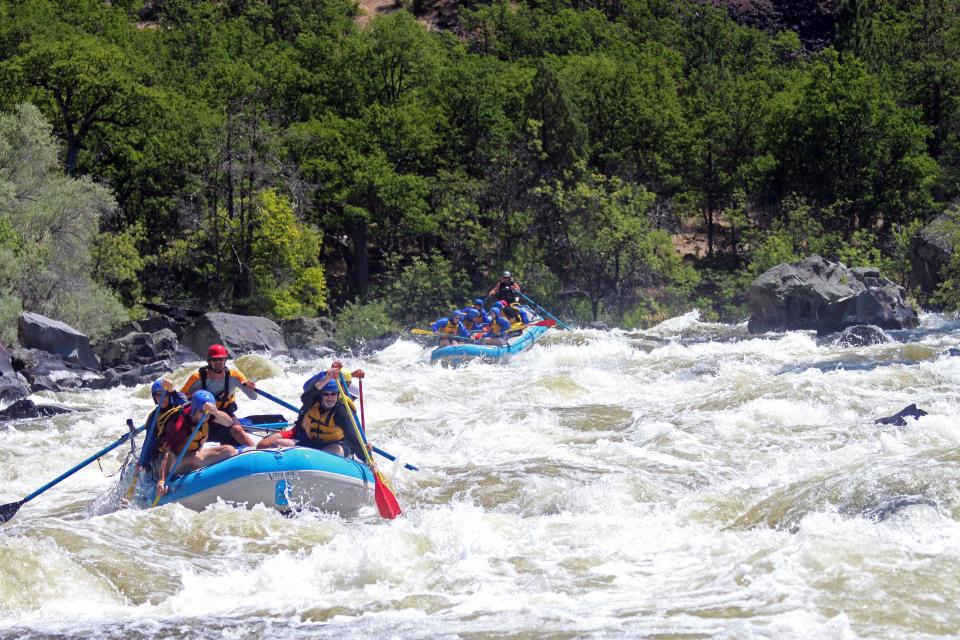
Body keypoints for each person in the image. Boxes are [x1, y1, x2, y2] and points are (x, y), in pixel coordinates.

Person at [257, 364, 369, 459]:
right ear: (321, 395)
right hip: (309, 441)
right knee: (275, 444)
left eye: (333, 394)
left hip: (333, 445)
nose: (329, 398)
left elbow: (352, 435)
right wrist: (326, 378)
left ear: (338, 394)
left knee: (327, 454)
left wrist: (365, 457)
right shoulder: (312, 401)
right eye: (326, 394)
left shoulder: (341, 410)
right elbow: (306, 395)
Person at [154, 390, 239, 497]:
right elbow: (168, 455)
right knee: (197, 459)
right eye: (202, 412)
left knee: (229, 450)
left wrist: (215, 412)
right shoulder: (178, 425)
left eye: (208, 412)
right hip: (172, 462)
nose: (206, 415)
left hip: (192, 454)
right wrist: (162, 480)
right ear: (194, 410)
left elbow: (228, 423)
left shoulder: (205, 413)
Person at [180, 344, 257, 447]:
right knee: (192, 433)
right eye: (215, 360)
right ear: (209, 361)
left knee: (237, 429)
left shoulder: (235, 377)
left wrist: (252, 389)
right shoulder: (197, 378)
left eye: (221, 359)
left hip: (225, 413)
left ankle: (255, 451)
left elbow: (253, 397)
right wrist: (192, 396)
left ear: (225, 360)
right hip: (202, 414)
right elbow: (180, 399)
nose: (218, 363)